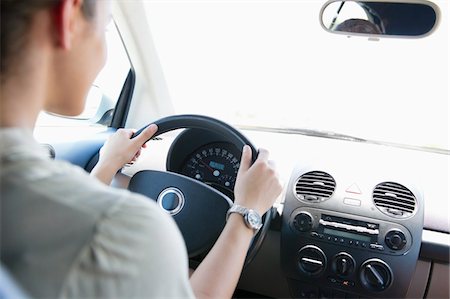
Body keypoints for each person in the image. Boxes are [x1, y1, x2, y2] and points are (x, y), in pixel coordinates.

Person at [0, 0, 283, 298]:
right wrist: (247, 212)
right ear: (68, 17)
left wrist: (106, 165)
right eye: (106, 27)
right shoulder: (123, 229)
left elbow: (57, 228)